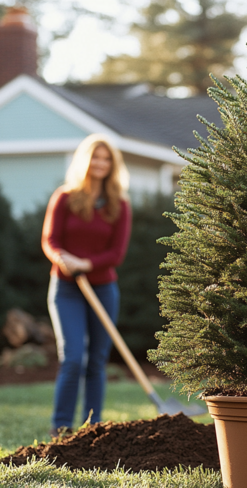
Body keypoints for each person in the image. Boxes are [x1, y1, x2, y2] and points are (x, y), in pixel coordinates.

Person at [42, 134, 132, 437]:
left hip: (103, 289)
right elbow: (50, 240)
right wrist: (62, 257)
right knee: (73, 357)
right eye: (96, 157)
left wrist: (86, 264)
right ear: (85, 160)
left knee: (96, 361)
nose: (100, 163)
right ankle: (61, 428)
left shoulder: (119, 205)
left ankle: (92, 429)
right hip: (66, 288)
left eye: (106, 159)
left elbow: (116, 254)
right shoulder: (65, 197)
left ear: (113, 165)